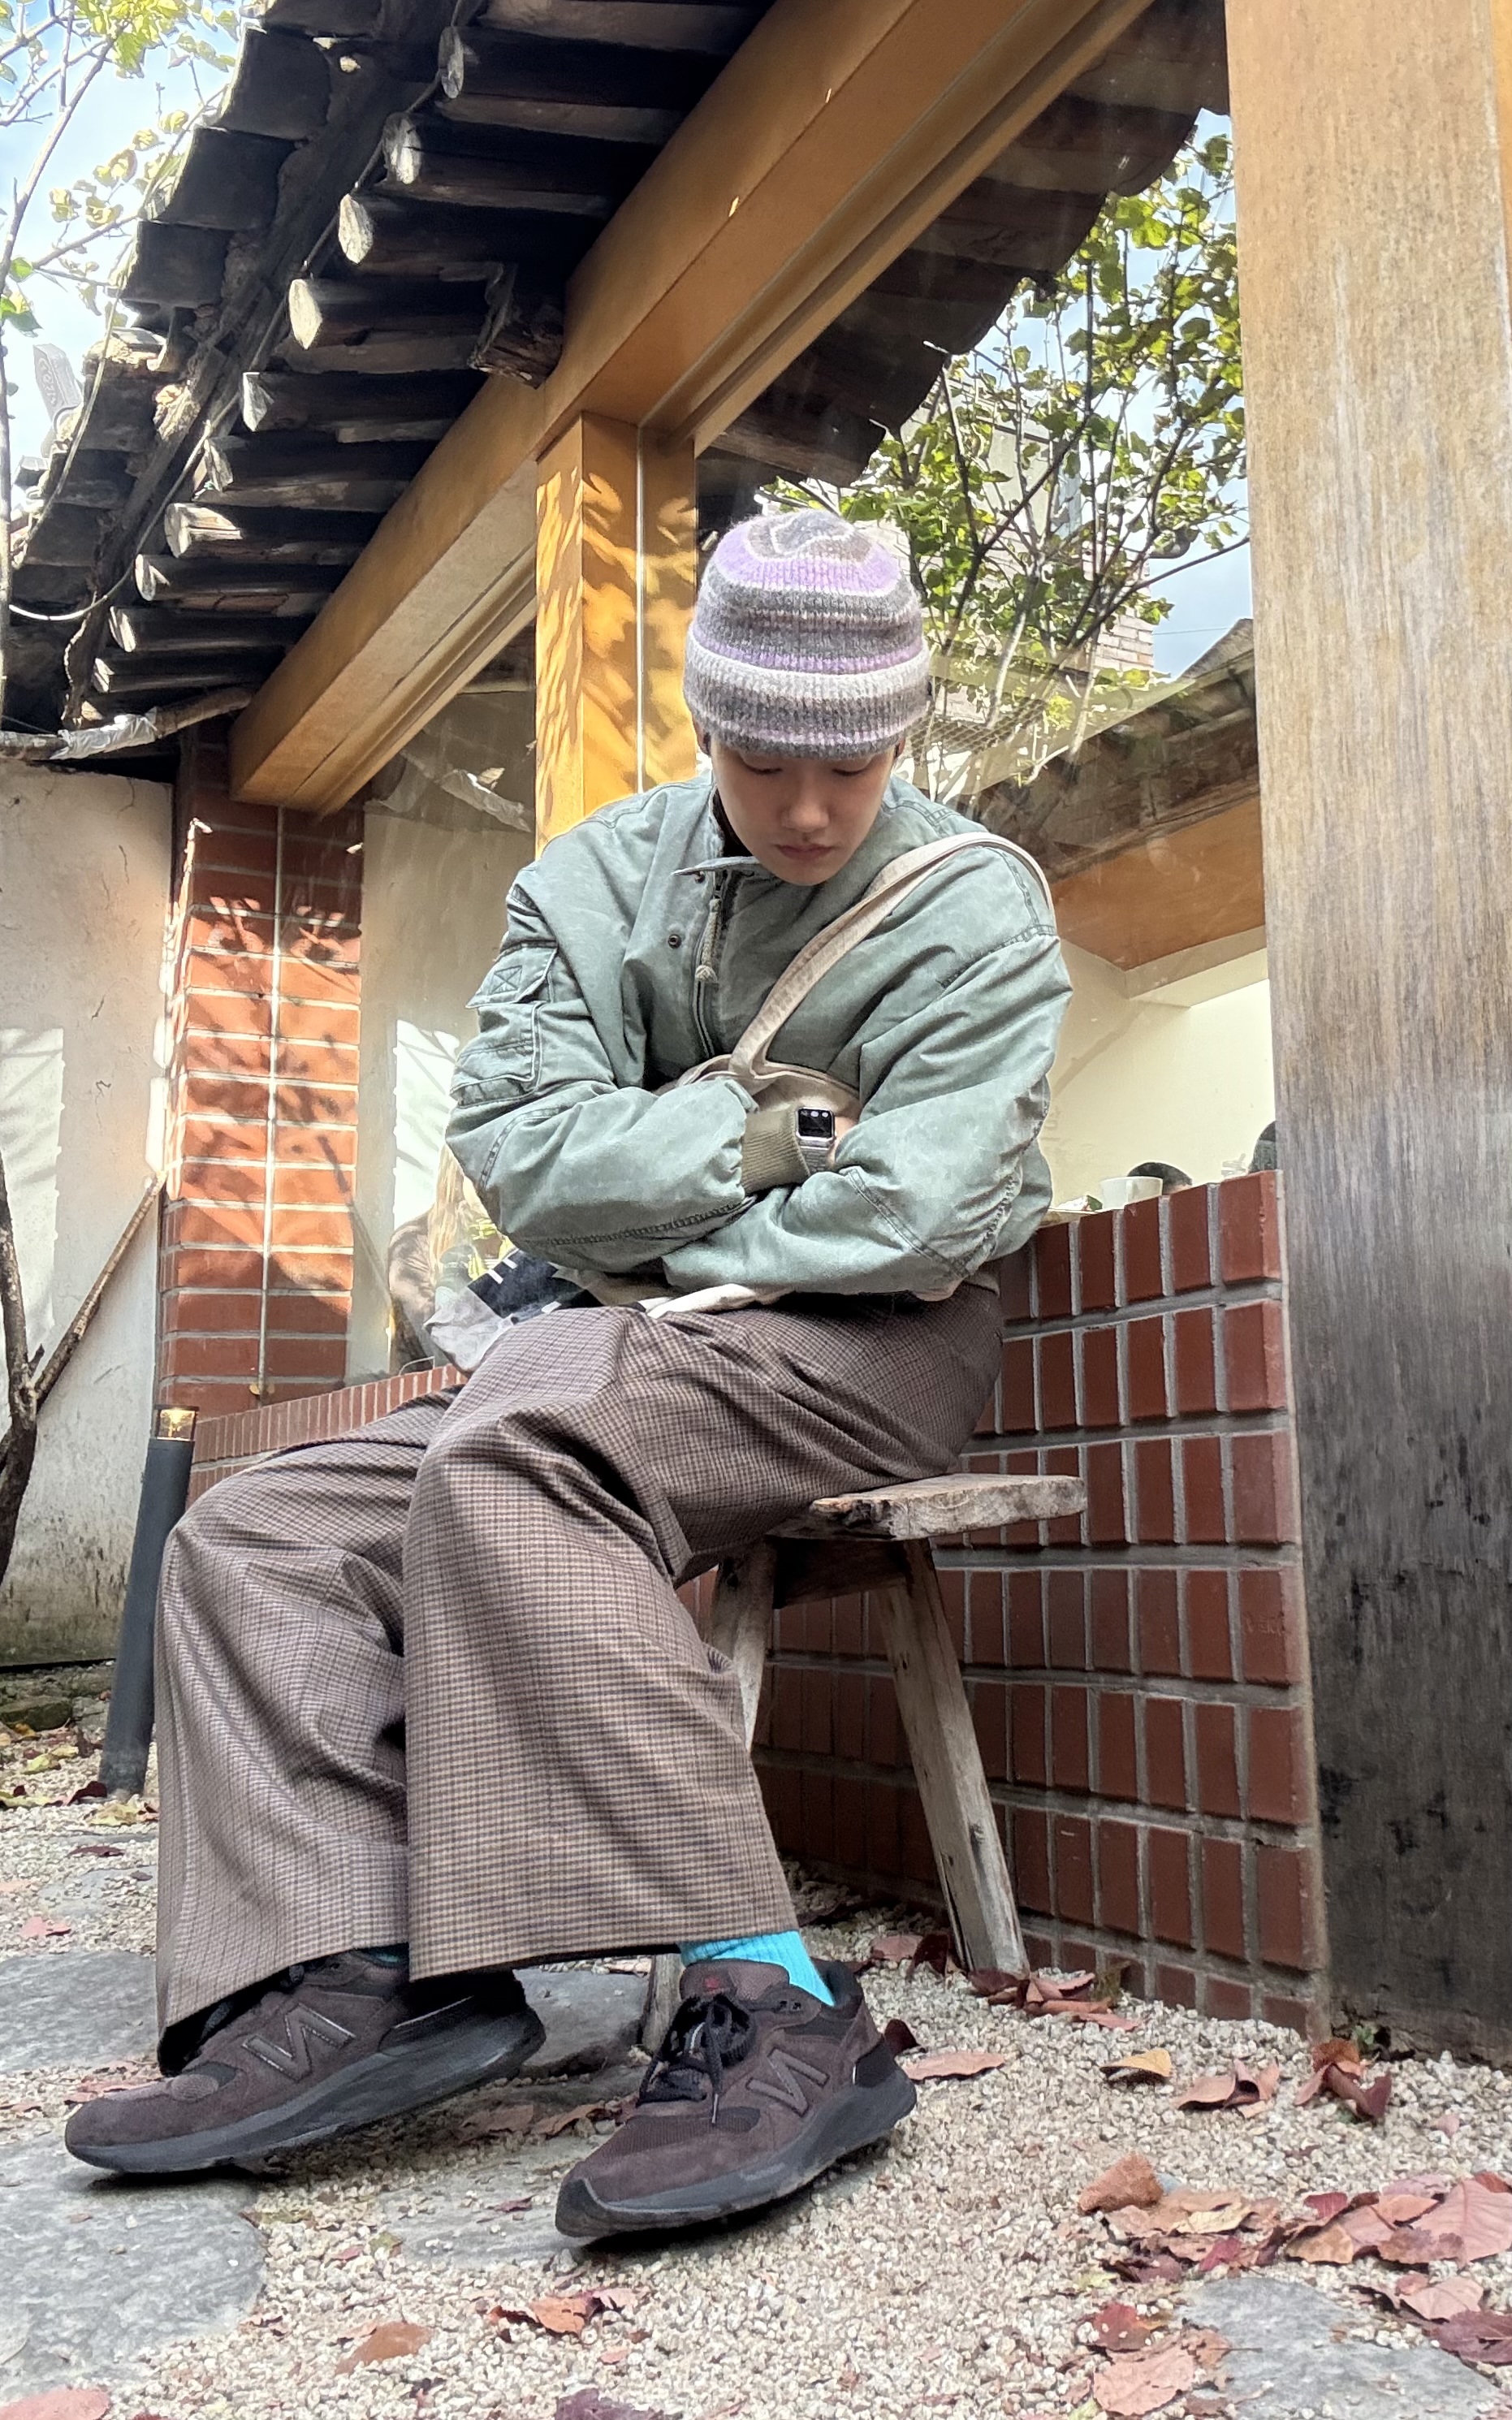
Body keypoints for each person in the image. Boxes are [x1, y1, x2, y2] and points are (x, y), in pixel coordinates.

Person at [65, 509, 1069, 2238]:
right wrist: (767, 1141)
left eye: (851, 764)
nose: (809, 808)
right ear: (706, 724)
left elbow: (924, 1212)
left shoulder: (976, 907)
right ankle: (364, 1965)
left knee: (527, 1424)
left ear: (902, 733)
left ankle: (769, 1998)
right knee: (256, 1531)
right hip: (600, 1353)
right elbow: (526, 1157)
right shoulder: (594, 881)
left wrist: (651, 1213)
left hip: (867, 1350)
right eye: (765, 761)